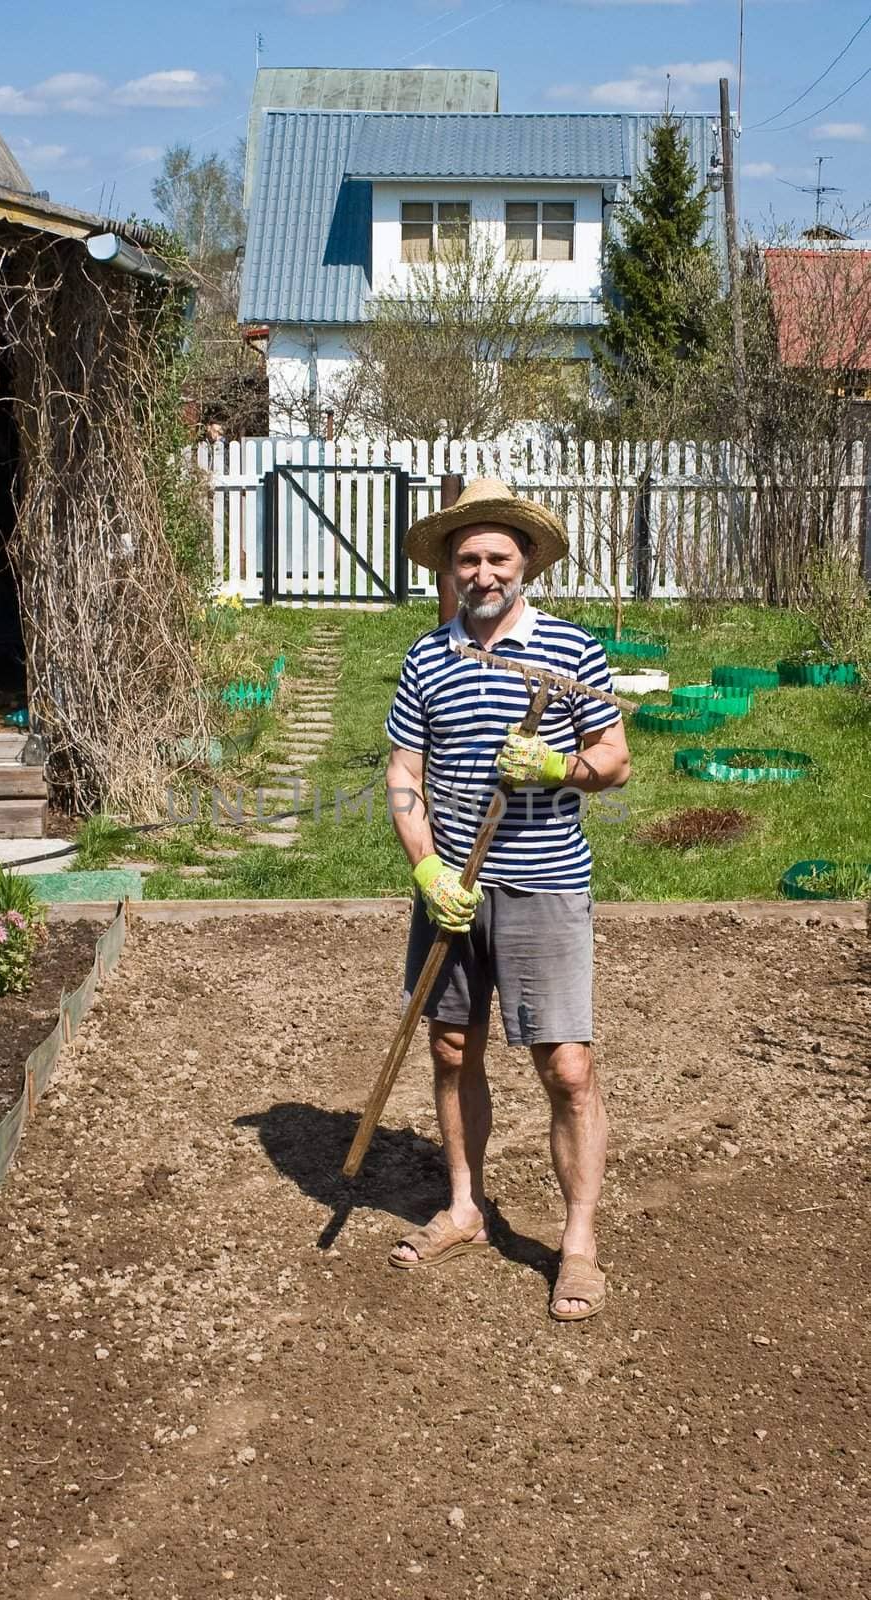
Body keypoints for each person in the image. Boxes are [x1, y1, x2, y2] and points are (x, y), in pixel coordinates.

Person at [384, 477, 631, 1321]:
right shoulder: (428, 657)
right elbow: (404, 776)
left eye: (498, 557)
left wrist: (562, 766)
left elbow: (616, 760)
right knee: (452, 1049)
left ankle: (579, 1244)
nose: (483, 572)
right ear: (450, 571)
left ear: (524, 563)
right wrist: (426, 869)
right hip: (452, 889)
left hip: (545, 886)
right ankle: (465, 1206)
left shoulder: (571, 650)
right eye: (467, 559)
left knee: (567, 1067)